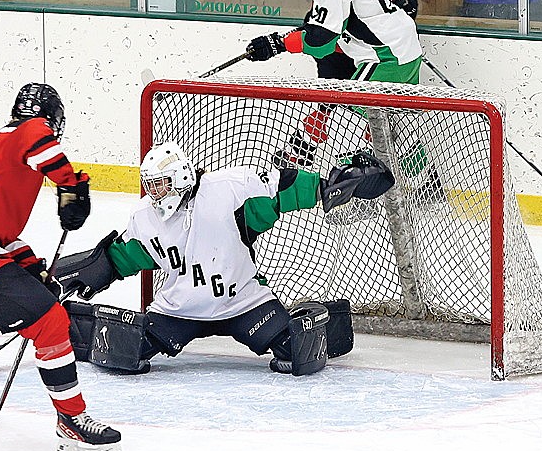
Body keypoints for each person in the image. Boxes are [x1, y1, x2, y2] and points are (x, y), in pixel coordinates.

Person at [51, 141, 394, 377]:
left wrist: (332, 184)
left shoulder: (230, 188)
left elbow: (283, 189)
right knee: (123, 354)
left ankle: (318, 316)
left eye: (160, 185)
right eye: (149, 186)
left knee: (298, 353)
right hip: (178, 311)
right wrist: (77, 275)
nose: (153, 194)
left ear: (181, 177)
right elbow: (121, 257)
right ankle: (70, 320)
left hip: (244, 304)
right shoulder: (146, 217)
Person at [0, 82, 121, 451]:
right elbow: (42, 143)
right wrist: (71, 187)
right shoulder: (29, 132)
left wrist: (31, 267)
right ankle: (72, 421)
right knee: (50, 322)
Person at [244, 0, 423, 168]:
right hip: (406, 50)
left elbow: (321, 42)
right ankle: (422, 178)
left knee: (345, 118)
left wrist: (278, 44)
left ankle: (359, 190)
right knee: (388, 117)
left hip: (386, 57)